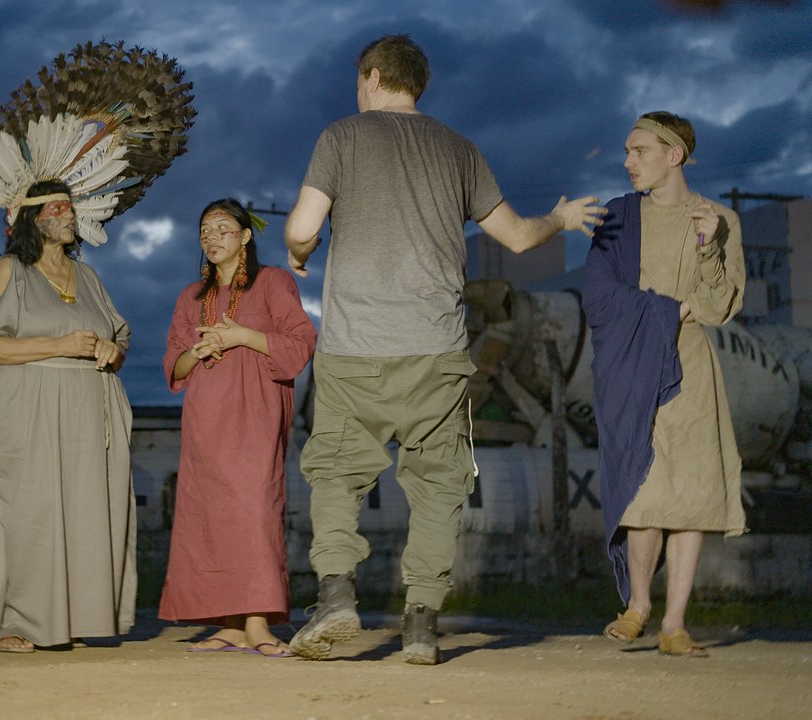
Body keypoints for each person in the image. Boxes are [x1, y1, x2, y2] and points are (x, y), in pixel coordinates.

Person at [284, 34, 605, 665]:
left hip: (356, 349)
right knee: (437, 488)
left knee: (336, 476)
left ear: (373, 76)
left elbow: (300, 228)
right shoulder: (460, 149)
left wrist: (299, 255)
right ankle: (423, 626)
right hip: (435, 349)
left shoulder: (342, 136)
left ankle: (337, 594)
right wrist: (561, 220)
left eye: (359, 79)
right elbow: (515, 236)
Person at [583, 112, 746, 657]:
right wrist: (671, 309)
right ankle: (638, 606)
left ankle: (674, 626)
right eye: (627, 152)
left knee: (690, 494)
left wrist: (708, 247)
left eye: (639, 151)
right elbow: (599, 298)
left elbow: (720, 306)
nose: (627, 162)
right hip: (632, 367)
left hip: (691, 369)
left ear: (673, 154)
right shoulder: (617, 218)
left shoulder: (719, 218)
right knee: (643, 487)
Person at [0, 179, 137, 653]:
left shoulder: (91, 277)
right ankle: (17, 623)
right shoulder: (9, 269)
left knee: (84, 515)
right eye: (58, 207)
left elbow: (121, 339)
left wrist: (108, 349)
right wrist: (59, 346)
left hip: (87, 412)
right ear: (32, 217)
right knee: (31, 514)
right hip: (29, 410)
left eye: (71, 206)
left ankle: (73, 618)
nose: (69, 215)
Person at [158, 199, 317, 657]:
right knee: (210, 515)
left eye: (223, 228)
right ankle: (229, 624)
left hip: (256, 411)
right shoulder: (190, 296)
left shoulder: (273, 282)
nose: (211, 237)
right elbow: (176, 361)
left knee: (253, 510)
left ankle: (258, 622)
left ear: (246, 236)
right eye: (205, 229)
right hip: (206, 415)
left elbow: (301, 340)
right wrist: (203, 349)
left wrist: (240, 335)